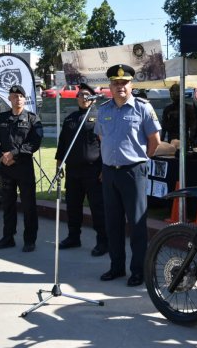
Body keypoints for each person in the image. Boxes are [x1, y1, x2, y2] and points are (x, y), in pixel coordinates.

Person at [95, 64, 161, 287]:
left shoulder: (143, 108)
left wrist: (141, 161)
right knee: (112, 222)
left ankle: (138, 270)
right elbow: (102, 139)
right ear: (110, 87)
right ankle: (116, 267)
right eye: (116, 83)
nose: (120, 86)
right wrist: (110, 162)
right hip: (109, 173)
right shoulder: (103, 109)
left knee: (136, 223)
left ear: (131, 85)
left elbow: (155, 141)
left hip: (133, 172)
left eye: (124, 83)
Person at [55, 83, 108, 257]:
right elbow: (62, 145)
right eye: (80, 95)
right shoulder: (70, 118)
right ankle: (73, 237)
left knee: (97, 208)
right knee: (73, 206)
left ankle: (102, 241)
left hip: (93, 171)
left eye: (87, 95)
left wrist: (103, 169)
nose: (83, 98)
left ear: (92, 98)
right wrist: (59, 165)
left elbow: (105, 145)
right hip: (73, 171)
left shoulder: (99, 117)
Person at [0, 85, 43, 252]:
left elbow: (34, 143)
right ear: (9, 98)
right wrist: (1, 156)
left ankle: (29, 240)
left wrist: (13, 154)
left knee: (28, 206)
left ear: (24, 99)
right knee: (8, 204)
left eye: (20, 96)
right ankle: (8, 237)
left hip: (24, 168)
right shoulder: (2, 118)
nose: (17, 99)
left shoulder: (33, 119)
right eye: (14, 96)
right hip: (6, 168)